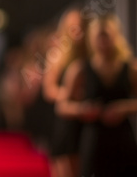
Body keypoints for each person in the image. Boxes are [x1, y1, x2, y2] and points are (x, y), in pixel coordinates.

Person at [57, 14, 137, 176]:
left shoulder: (130, 68)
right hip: (93, 137)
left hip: (123, 137)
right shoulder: (80, 69)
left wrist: (124, 108)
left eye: (106, 37)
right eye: (99, 38)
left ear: (116, 36)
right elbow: (62, 106)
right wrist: (83, 110)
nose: (103, 44)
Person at [42, 8, 86, 177]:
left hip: (85, 119)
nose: (77, 31)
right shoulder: (57, 55)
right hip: (64, 120)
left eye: (80, 26)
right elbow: (49, 90)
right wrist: (71, 96)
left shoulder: (88, 53)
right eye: (72, 27)